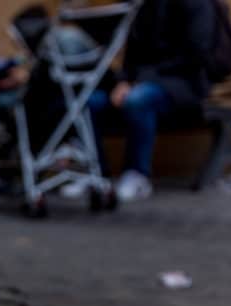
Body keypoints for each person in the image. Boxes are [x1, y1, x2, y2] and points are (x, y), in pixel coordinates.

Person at [86, 0, 216, 202]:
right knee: (90, 102)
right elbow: (131, 58)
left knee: (138, 99)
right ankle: (96, 173)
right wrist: (123, 82)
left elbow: (195, 55)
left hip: (181, 87)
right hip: (141, 83)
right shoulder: (143, 7)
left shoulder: (196, 4)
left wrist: (139, 82)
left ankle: (137, 174)